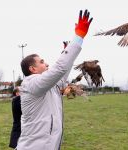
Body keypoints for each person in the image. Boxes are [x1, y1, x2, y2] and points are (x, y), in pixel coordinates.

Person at [16, 9, 93, 150]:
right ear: (32, 69)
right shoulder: (32, 84)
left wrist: (67, 52)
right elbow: (59, 69)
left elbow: (61, 76)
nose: (46, 64)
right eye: (42, 62)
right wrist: (78, 37)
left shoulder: (45, 85)